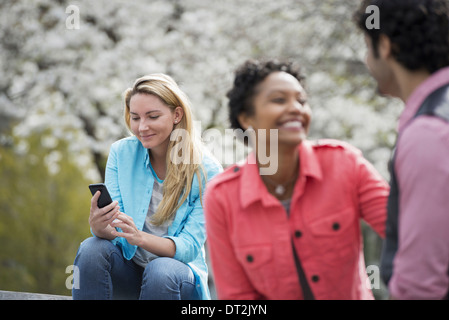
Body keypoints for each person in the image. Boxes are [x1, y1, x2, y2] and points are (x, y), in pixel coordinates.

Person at [203, 59, 390, 300]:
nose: (296, 108)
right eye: (279, 100)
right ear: (246, 119)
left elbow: (409, 235)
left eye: (301, 100)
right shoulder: (222, 196)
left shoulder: (345, 163)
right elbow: (238, 297)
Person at [72, 73, 222, 300]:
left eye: (152, 117)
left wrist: (140, 237)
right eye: (135, 118)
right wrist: (100, 228)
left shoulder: (207, 171)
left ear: (176, 115)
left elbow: (189, 246)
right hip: (130, 272)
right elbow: (116, 231)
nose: (142, 127)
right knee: (92, 248)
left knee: (160, 270)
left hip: (176, 278)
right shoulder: (121, 153)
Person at [354, 0, 449, 300]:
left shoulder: (428, 133)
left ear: (384, 45)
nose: (366, 60)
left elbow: (422, 284)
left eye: (367, 46)